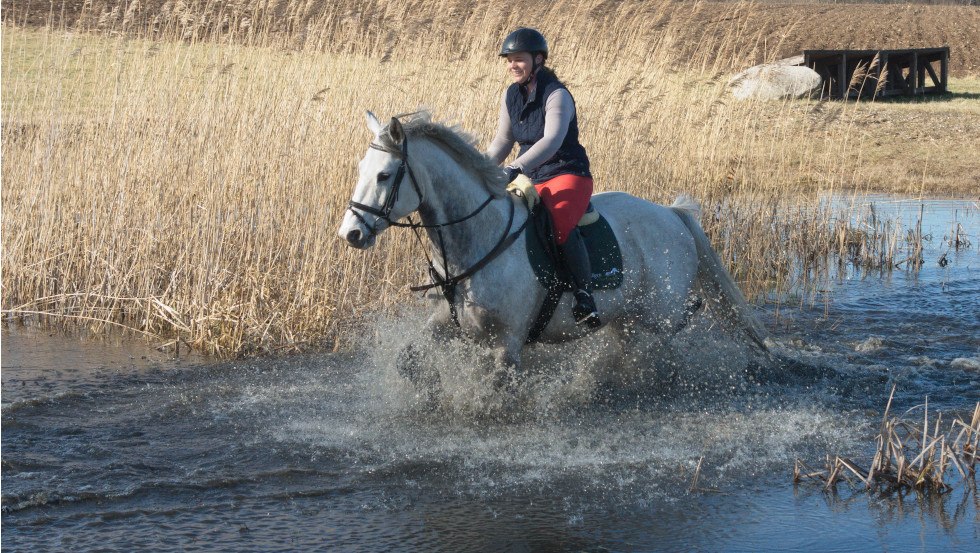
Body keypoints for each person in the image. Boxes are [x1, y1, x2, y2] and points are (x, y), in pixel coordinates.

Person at [486, 27, 600, 327]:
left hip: (567, 172)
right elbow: (503, 140)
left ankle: (584, 296)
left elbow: (551, 140)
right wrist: (480, 167)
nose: (512, 65)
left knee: (558, 224)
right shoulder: (512, 94)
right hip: (530, 175)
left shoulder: (557, 94)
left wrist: (514, 167)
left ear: (538, 59)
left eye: (519, 59)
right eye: (509, 60)